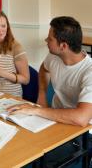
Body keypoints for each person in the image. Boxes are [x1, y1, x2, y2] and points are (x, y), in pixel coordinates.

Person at [8, 16, 92, 167]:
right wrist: (42, 95)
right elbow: (43, 69)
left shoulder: (89, 71)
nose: (46, 41)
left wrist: (37, 111)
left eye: (50, 38)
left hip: (82, 132)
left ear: (63, 46)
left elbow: (81, 118)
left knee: (30, 157)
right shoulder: (54, 56)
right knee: (16, 143)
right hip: (53, 119)